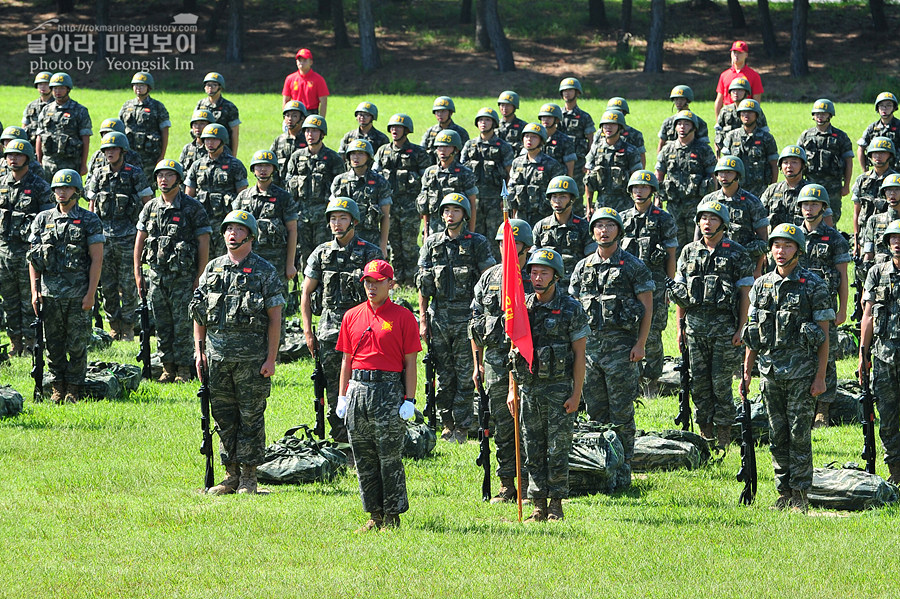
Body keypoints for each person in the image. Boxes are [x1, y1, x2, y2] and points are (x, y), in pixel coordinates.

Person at [191, 210, 285, 496]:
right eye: (228, 228)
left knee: (251, 417)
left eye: (239, 229)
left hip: (252, 360)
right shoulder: (213, 268)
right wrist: (200, 351)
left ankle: (249, 477)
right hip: (217, 358)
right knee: (223, 417)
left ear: (251, 235)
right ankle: (230, 474)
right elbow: (199, 313)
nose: (232, 233)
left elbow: (275, 317)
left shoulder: (264, 270)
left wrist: (270, 358)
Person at [743, 223, 833, 513]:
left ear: (799, 250)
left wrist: (820, 377)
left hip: (802, 374)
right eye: (776, 246)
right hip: (770, 372)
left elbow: (823, 335)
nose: (780, 252)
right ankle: (783, 491)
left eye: (788, 246)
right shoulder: (761, 285)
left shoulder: (813, 285)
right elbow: (753, 333)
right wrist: (747, 371)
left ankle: (801, 494)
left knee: (799, 434)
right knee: (776, 433)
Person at [569, 207, 653, 487]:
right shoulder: (583, 267)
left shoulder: (632, 266)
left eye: (609, 226)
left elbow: (647, 306)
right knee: (595, 412)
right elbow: (573, 308)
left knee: (622, 412)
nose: (603, 231)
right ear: (592, 231)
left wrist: (641, 344)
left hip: (622, 351)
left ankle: (624, 467)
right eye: (598, 226)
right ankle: (602, 466)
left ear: (619, 230)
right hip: (590, 353)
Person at [336, 258, 421, 531]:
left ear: (390, 284)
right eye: (368, 283)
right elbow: (346, 361)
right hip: (358, 389)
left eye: (378, 282)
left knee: (388, 455)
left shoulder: (404, 317)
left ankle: (393, 515)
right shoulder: (352, 315)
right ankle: (374, 514)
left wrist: (409, 399)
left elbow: (410, 363)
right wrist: (342, 396)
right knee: (363, 455)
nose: (372, 288)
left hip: (388, 390)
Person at [509, 247, 589, 521]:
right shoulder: (521, 309)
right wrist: (513, 390)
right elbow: (514, 351)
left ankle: (556, 504)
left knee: (558, 448)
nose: (537, 278)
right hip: (529, 390)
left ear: (556, 276)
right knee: (532, 447)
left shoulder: (570, 308)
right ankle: (537, 504)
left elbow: (580, 355)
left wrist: (577, 394)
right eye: (533, 272)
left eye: (544, 272)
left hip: (559, 390)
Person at [668, 201, 753, 450]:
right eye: (703, 218)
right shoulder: (688, 252)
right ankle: (706, 434)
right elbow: (680, 294)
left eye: (713, 219)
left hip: (725, 331)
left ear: (723, 224)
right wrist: (679, 328)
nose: (707, 223)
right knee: (700, 385)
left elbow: (745, 294)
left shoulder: (737, 253)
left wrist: (741, 328)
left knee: (721, 384)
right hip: (694, 330)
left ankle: (724, 434)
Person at [302, 198, 383, 442]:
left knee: (365, 385)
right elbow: (306, 293)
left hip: (363, 329)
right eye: (333, 218)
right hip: (330, 330)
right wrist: (307, 332)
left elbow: (380, 292)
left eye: (343, 218)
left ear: (354, 221)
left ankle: (363, 437)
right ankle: (339, 438)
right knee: (334, 386)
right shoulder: (321, 253)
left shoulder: (370, 252)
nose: (337, 224)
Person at [418, 194, 495, 442]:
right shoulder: (431, 243)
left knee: (465, 374)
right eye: (446, 210)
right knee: (443, 374)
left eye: (456, 210)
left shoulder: (477, 243)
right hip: (438, 317)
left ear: (465, 215)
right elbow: (423, 285)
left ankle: (462, 425)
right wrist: (422, 318)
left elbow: (488, 278)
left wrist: (483, 315)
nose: (450, 215)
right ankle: (446, 422)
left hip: (466, 317)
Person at [470, 218, 533, 503]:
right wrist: (477, 363)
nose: (507, 248)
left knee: (531, 426)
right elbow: (475, 321)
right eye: (502, 243)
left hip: (531, 365)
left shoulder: (536, 275)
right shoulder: (489, 278)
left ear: (527, 247)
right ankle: (507, 483)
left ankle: (534, 485)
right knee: (502, 427)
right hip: (495, 364)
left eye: (514, 244)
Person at [27, 169, 104, 403]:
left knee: (77, 343)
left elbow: (97, 260)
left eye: (67, 188)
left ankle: (74, 387)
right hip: (50, 295)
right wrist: (35, 290)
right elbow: (33, 258)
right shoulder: (42, 219)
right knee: (53, 343)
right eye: (58, 188)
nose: (62, 192)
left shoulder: (89, 220)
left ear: (77, 191)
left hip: (78, 294)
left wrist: (91, 294)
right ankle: (57, 385)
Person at [134, 159, 211, 384]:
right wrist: (138, 273)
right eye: (160, 176)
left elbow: (203, 241)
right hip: (157, 276)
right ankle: (167, 367)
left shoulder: (192, 207)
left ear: (178, 179)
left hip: (184, 277)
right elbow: (140, 241)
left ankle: (185, 369)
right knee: (162, 322)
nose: (163, 180)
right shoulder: (150, 207)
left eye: (169, 175)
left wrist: (200, 276)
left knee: (183, 323)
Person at [84, 131, 153, 341]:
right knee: (107, 285)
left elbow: (148, 202)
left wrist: (146, 233)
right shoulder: (98, 174)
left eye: (113, 149)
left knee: (129, 284)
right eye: (106, 149)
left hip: (128, 238)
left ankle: (129, 327)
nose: (109, 153)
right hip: (103, 239)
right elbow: (92, 204)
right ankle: (113, 325)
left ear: (122, 150)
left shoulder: (134, 173)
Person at [796, 185, 850, 429]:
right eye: (806, 205)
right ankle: (802, 404)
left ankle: (823, 410)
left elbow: (842, 276)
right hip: (796, 306)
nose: (809, 209)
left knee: (826, 356)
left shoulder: (835, 239)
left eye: (814, 205)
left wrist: (842, 309)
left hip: (825, 307)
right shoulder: (792, 235)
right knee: (797, 352)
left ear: (824, 207)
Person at [620, 170, 677, 396]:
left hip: (655, 285)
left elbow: (671, 254)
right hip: (626, 286)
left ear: (652, 191)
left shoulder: (663, 219)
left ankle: (651, 381)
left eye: (644, 188)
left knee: (652, 333)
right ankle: (630, 378)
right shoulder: (622, 219)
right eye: (635, 188)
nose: (639, 192)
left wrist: (669, 286)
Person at [0, 138, 52, 356]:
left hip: (28, 252)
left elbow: (48, 220)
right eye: (10, 155)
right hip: (3, 251)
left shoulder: (39, 186)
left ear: (28, 158)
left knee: (29, 299)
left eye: (18, 155)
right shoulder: (1, 183)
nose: (13, 158)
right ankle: (15, 343)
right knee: (9, 300)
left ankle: (31, 343)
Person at [859, 219, 900, 484]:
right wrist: (863, 357)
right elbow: (868, 316)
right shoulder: (876, 272)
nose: (897, 243)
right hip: (884, 356)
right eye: (893, 239)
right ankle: (895, 471)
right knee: (887, 416)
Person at [373, 114, 432, 286]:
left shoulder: (418, 153)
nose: (394, 130)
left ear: (406, 130)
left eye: (398, 127)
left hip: (410, 207)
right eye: (392, 127)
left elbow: (426, 181)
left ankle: (412, 277)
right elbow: (375, 176)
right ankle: (397, 277)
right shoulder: (382, 151)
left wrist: (423, 206)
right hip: (388, 206)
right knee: (394, 244)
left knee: (409, 244)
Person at [232, 150, 298, 297]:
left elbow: (292, 230)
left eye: (267, 166)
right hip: (248, 258)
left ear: (274, 169)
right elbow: (234, 231)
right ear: (253, 169)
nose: (263, 170)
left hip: (277, 260)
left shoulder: (283, 197)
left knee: (276, 301)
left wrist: (290, 264)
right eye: (259, 166)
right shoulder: (243, 197)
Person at [285, 114, 345, 267]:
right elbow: (288, 184)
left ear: (322, 134)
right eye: (307, 131)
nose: (310, 135)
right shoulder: (297, 157)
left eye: (314, 131)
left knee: (326, 253)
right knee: (304, 254)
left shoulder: (333, 158)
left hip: (323, 216)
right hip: (301, 214)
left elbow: (340, 188)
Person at [184, 123, 248, 258]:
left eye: (214, 139)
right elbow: (188, 197)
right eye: (207, 139)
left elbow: (243, 197)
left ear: (222, 141)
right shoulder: (197, 165)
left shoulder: (235, 165)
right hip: (201, 222)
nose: (210, 143)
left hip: (225, 224)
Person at [655, 109, 717, 249]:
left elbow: (713, 176)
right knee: (673, 241)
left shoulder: (703, 150)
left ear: (694, 127)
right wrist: (657, 199)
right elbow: (659, 175)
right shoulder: (667, 149)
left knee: (697, 243)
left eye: (687, 124)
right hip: (673, 204)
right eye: (680, 124)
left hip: (697, 203)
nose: (682, 127)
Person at [701, 156, 769, 277]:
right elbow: (698, 237)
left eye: (729, 172)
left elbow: (762, 240)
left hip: (744, 264)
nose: (724, 176)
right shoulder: (708, 201)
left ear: (738, 175)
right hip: (714, 264)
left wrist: (758, 269)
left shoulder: (751, 202)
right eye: (721, 172)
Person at [460, 107, 515, 257]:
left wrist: (506, 199)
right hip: (474, 200)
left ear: (494, 123)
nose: (483, 123)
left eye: (487, 120)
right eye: (481, 120)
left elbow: (511, 174)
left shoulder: (503, 147)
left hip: (496, 200)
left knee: (495, 236)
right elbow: (462, 172)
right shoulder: (469, 145)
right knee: (473, 234)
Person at [330, 138, 392, 257]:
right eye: (353, 154)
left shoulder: (380, 182)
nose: (356, 157)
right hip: (344, 238)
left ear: (368, 157)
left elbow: (385, 217)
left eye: (360, 153)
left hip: (371, 239)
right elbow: (333, 213)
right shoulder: (339, 181)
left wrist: (383, 246)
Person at [797, 99, 854, 225]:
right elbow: (797, 160)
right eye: (817, 114)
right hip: (810, 183)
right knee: (809, 216)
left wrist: (846, 185)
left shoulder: (840, 137)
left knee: (832, 217)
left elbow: (848, 162)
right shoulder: (806, 136)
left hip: (833, 186)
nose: (820, 117)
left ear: (830, 115)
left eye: (823, 114)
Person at [532, 175, 593, 289]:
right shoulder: (540, 226)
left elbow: (591, 259)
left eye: (563, 197)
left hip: (575, 284)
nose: (557, 201)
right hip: (547, 286)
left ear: (572, 199)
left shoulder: (583, 227)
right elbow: (533, 259)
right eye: (554, 197)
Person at [416, 129, 478, 236]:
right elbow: (425, 205)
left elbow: (472, 205)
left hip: (458, 231)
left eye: (447, 147)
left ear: (456, 150)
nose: (442, 151)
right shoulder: (429, 173)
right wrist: (426, 233)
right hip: (434, 231)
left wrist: (471, 233)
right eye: (439, 147)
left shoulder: (465, 173)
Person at [584, 110, 641, 215]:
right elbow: (589, 180)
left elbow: (637, 180)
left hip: (625, 204)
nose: (608, 128)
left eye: (612, 124)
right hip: (601, 204)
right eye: (605, 125)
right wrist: (589, 206)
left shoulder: (630, 150)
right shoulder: (595, 149)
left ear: (620, 127)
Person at [508, 123, 566, 226]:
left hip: (543, 215)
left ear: (541, 140)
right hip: (521, 214)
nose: (529, 140)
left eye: (534, 137)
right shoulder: (517, 162)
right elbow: (511, 188)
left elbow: (558, 192)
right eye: (526, 136)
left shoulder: (551, 164)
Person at [35, 72, 92, 176]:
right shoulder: (46, 110)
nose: (57, 91)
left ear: (68, 89)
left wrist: (83, 164)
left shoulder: (79, 110)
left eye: (61, 88)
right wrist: (39, 161)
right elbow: (39, 136)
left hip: (71, 164)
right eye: (55, 88)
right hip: (48, 164)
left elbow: (85, 139)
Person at [721, 99, 778, 198]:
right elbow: (725, 165)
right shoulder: (731, 136)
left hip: (760, 190)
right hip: (736, 188)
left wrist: (772, 188)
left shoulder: (766, 138)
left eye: (750, 112)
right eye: (743, 112)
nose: (746, 115)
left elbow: (774, 164)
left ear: (756, 115)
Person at [851, 137, 897, 257]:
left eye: (882, 152)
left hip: (891, 235)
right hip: (865, 235)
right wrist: (856, 242)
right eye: (875, 153)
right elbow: (856, 212)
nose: (878, 156)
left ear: (890, 155)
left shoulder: (896, 180)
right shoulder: (862, 180)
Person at [119, 72, 171, 173]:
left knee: (149, 185)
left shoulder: (157, 107)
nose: (138, 88)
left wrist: (162, 156)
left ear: (149, 87)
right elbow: (120, 129)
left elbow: (165, 131)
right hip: (129, 154)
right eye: (136, 85)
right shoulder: (126, 106)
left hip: (150, 156)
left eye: (142, 85)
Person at [760, 145, 818, 230]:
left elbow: (826, 221)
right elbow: (758, 218)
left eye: (794, 162)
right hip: (776, 241)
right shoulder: (772, 190)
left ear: (803, 165)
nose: (789, 166)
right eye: (785, 162)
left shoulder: (812, 191)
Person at [558, 77, 596, 201]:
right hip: (558, 160)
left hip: (579, 162)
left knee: (577, 193)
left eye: (570, 90)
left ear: (577, 92)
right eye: (564, 91)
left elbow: (591, 141)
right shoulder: (556, 115)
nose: (567, 93)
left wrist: (588, 163)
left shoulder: (584, 117)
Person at [714, 77, 769, 157]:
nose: (736, 93)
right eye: (733, 90)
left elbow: (765, 133)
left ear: (746, 92)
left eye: (740, 90)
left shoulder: (755, 110)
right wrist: (718, 155)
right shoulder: (725, 111)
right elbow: (718, 133)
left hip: (752, 153)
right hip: (729, 152)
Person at [714, 40, 764, 117]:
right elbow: (719, 101)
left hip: (746, 115)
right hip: (728, 115)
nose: (736, 55)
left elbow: (756, 102)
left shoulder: (754, 76)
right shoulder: (724, 75)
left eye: (740, 53)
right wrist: (718, 122)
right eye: (734, 52)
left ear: (746, 55)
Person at [86, 119, 142, 184]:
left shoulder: (132, 156)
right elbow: (89, 181)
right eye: (104, 134)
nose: (108, 138)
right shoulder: (97, 156)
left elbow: (139, 181)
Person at [195, 72, 241, 154]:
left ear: (220, 87)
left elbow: (235, 133)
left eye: (214, 85)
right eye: (208, 85)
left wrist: (233, 155)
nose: (210, 88)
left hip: (222, 149)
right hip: (203, 147)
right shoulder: (200, 104)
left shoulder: (229, 107)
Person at [657, 85, 710, 154]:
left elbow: (704, 148)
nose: (678, 102)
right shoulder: (668, 122)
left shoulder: (699, 122)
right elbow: (661, 143)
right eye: (676, 99)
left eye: (681, 99)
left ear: (688, 100)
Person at [856, 92, 900, 171]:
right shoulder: (872, 128)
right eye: (881, 105)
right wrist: (865, 171)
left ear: (894, 108)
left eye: (888, 105)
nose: (884, 108)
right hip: (878, 172)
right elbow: (860, 148)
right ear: (877, 108)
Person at [862, 174, 900, 262]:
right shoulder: (874, 221)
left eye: (897, 189)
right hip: (882, 272)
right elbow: (868, 254)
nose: (892, 193)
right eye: (889, 190)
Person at [421, 97, 470, 164]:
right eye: (437, 111)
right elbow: (422, 151)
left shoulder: (460, 132)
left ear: (451, 113)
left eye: (443, 111)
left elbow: (466, 155)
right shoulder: (430, 131)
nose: (440, 114)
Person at [270, 101, 308, 188]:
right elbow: (271, 163)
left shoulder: (309, 140)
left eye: (294, 116)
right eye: (287, 115)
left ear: (302, 118)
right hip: (280, 188)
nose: (290, 119)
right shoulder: (279, 140)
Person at [282, 48, 329, 116]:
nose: (301, 63)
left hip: (311, 113)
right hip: (295, 113)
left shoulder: (318, 79)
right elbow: (285, 100)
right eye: (299, 60)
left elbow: (323, 102)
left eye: (305, 60)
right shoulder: (290, 79)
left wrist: (321, 120)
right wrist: (286, 117)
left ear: (311, 62)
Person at [537, 103, 576, 179]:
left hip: (557, 180)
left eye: (549, 117)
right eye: (543, 117)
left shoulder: (565, 140)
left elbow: (570, 166)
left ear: (557, 120)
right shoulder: (536, 138)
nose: (545, 120)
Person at [604, 97, 646, 167]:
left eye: (618, 112)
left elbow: (641, 157)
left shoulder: (635, 134)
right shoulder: (601, 134)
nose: (615, 115)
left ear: (624, 113)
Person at [21, 71, 53, 148]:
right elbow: (24, 127)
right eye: (40, 84)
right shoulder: (31, 106)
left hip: (51, 148)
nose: (43, 87)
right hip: (32, 146)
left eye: (46, 84)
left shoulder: (58, 106)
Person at [179, 109, 212, 174]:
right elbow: (181, 171)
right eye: (195, 124)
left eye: (202, 124)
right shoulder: (188, 148)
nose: (198, 127)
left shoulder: (217, 149)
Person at [497, 90, 527, 155]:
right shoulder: (494, 124)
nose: (504, 108)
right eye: (502, 105)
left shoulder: (523, 126)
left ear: (514, 107)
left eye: (508, 105)